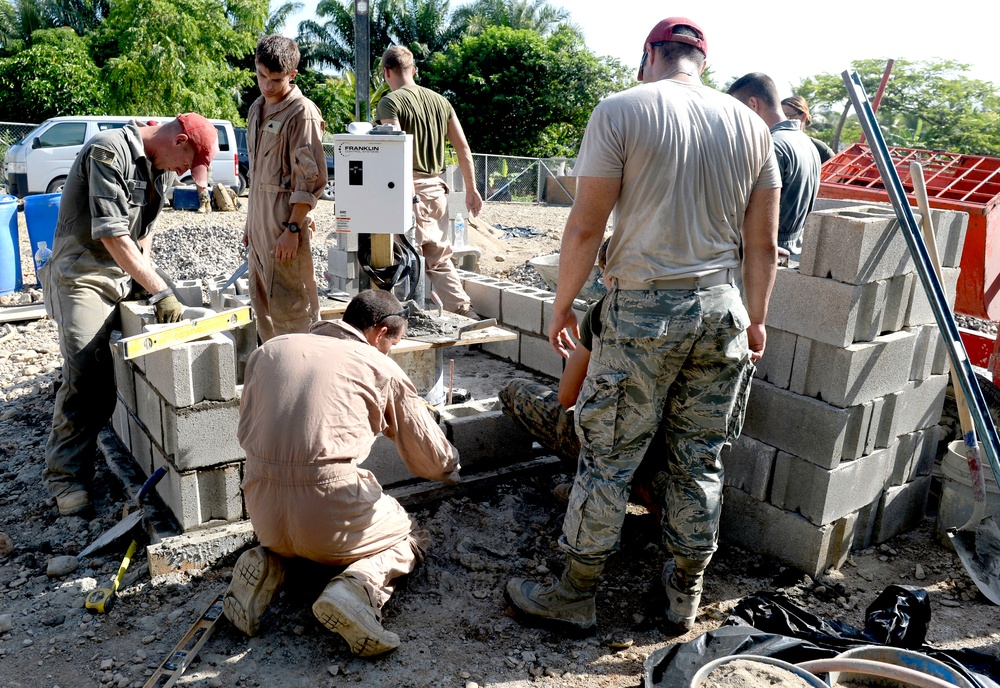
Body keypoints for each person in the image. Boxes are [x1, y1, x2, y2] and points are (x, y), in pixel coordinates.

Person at [504, 17, 780, 635]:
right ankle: (684, 594)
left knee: (608, 458)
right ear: (702, 62)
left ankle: (575, 592)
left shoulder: (621, 110)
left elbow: (584, 225)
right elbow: (762, 246)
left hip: (645, 313)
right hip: (721, 312)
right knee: (700, 460)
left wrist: (563, 305)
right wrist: (757, 320)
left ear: (650, 54)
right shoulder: (753, 128)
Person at [223, 290, 461, 657]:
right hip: (328, 514)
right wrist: (452, 466)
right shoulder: (378, 365)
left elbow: (248, 430)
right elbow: (433, 462)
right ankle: (355, 589)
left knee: (298, 535)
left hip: (262, 508)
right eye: (393, 343)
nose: (390, 351)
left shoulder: (270, 350)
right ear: (381, 333)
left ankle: (270, 563)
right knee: (407, 533)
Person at [40, 114, 219, 516]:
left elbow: (143, 234)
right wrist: (159, 292)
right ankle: (65, 476)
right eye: (185, 163)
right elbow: (111, 233)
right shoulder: (109, 150)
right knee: (87, 371)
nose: (182, 173)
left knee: (180, 318)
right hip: (83, 272)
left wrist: (149, 284)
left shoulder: (163, 170)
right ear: (179, 140)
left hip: (126, 264)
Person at [376, 45, 483, 318]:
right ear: (413, 70)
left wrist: (409, 197)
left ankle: (401, 320)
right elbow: (463, 148)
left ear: (386, 72)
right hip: (437, 189)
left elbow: (396, 153)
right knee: (438, 257)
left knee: (397, 260)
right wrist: (472, 189)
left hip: (408, 190)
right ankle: (460, 313)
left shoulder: (391, 102)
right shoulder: (441, 102)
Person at [245, 34, 328, 342]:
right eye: (261, 76)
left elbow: (310, 179)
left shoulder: (302, 112)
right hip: (259, 226)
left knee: (293, 307)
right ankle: (274, 374)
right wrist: (250, 223)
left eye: (276, 79)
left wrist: (293, 228)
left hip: (286, 225)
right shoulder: (256, 108)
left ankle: (302, 378)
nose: (267, 85)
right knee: (262, 304)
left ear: (293, 75)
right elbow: (257, 176)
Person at [729, 74, 820, 258]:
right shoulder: (806, 142)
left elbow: (753, 213)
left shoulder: (772, 146)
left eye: (736, 111)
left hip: (763, 256)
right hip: (791, 253)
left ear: (753, 104)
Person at [781, 95, 836, 164]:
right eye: (781, 116)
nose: (783, 121)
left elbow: (837, 170)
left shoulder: (819, 148)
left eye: (788, 116)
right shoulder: (775, 145)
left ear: (803, 116)